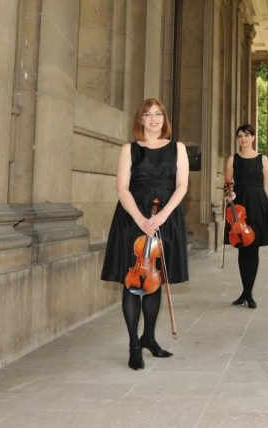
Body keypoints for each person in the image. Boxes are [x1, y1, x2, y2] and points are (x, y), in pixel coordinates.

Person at [101, 98, 189, 370]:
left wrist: (162, 216)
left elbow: (182, 186)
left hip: (166, 218)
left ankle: (149, 337)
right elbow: (122, 188)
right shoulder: (129, 149)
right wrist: (140, 219)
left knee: (154, 280)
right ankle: (133, 345)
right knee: (132, 282)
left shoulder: (178, 148)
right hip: (132, 219)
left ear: (164, 119)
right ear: (140, 119)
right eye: (148, 115)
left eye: (159, 114)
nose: (154, 119)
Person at [224, 124, 268, 309]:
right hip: (239, 206)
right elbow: (228, 184)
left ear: (253, 138)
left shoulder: (262, 159)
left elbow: (267, 187)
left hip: (258, 205)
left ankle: (248, 293)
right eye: (240, 136)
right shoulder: (233, 159)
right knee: (242, 248)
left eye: (247, 136)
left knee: (253, 249)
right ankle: (246, 292)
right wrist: (229, 194)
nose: (243, 139)